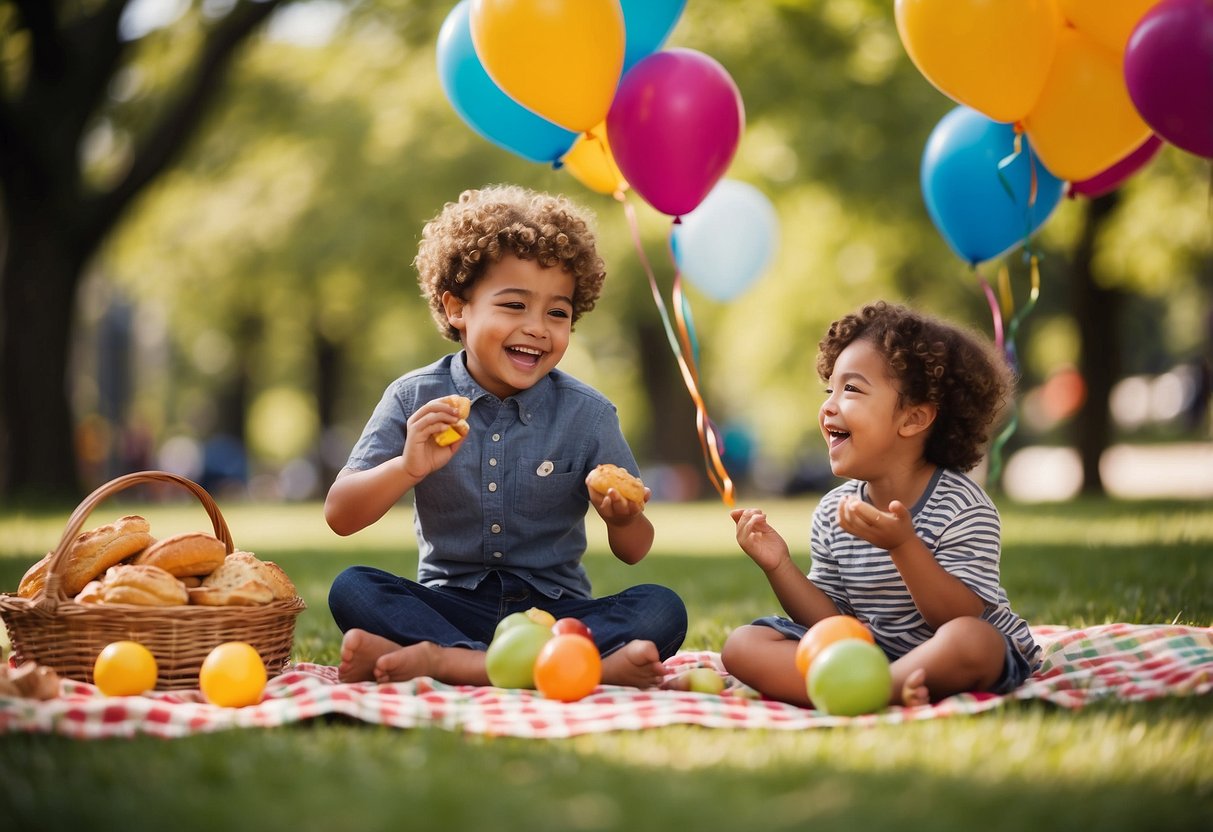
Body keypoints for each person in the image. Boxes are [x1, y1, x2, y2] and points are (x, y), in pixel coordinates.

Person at [325, 185, 687, 688]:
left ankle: (449, 663)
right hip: (450, 606)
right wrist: (406, 468)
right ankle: (573, 669)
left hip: (558, 613)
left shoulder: (589, 415)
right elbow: (340, 515)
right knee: (354, 588)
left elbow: (635, 549)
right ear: (457, 309)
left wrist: (623, 518)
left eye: (557, 313)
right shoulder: (414, 399)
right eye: (514, 305)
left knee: (661, 608)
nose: (538, 328)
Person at [721, 301, 1041, 707]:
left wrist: (903, 546)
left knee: (973, 641)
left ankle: (869, 689)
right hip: (872, 653)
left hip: (953, 650)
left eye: (851, 389)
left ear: (913, 419)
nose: (828, 405)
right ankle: (861, 687)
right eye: (829, 389)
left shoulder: (962, 506)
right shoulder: (833, 511)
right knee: (744, 643)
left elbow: (957, 615)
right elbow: (830, 624)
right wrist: (780, 565)